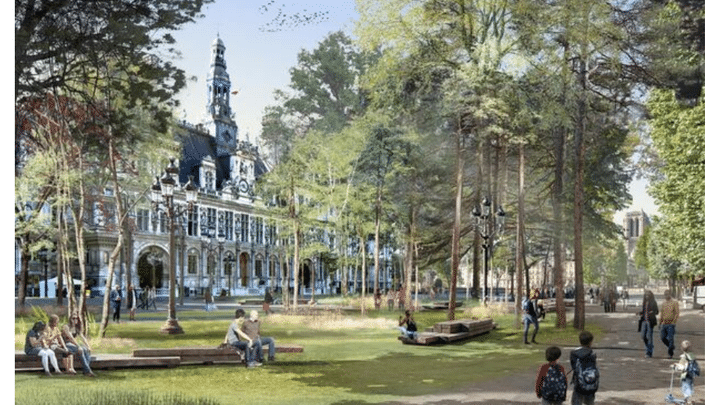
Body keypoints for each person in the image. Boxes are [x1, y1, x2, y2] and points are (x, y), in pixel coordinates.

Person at [570, 331, 599, 405]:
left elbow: (573, 366)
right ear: (590, 342)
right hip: (590, 380)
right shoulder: (592, 353)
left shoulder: (574, 353)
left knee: (577, 399)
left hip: (578, 381)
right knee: (590, 401)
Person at [62, 312, 95, 377]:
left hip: (73, 344)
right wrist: (78, 346)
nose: (75, 320)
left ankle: (86, 370)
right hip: (66, 344)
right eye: (73, 318)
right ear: (70, 319)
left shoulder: (76, 328)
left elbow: (82, 337)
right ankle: (88, 371)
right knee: (81, 350)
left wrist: (88, 346)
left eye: (76, 318)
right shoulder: (66, 327)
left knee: (86, 350)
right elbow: (71, 338)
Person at [672, 340, 699, 404]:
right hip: (691, 373)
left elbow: (682, 367)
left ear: (681, 348)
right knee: (690, 384)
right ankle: (689, 398)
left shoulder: (683, 357)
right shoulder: (692, 355)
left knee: (685, 386)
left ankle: (688, 399)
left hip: (685, 374)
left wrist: (675, 367)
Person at [659, 289, 680, 359]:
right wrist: (660, 322)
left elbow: (677, 313)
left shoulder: (674, 302)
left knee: (671, 339)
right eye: (665, 295)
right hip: (664, 323)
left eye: (667, 294)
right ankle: (671, 346)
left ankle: (670, 353)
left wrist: (674, 322)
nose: (666, 296)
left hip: (671, 324)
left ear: (670, 294)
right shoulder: (664, 303)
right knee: (663, 338)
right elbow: (662, 313)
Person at [638, 290, 659, 358]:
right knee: (643, 336)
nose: (647, 296)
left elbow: (657, 311)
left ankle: (649, 352)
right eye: (646, 295)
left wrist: (652, 312)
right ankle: (648, 346)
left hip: (650, 321)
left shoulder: (653, 302)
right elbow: (644, 311)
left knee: (649, 337)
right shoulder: (644, 302)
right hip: (644, 321)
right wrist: (640, 313)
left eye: (648, 295)